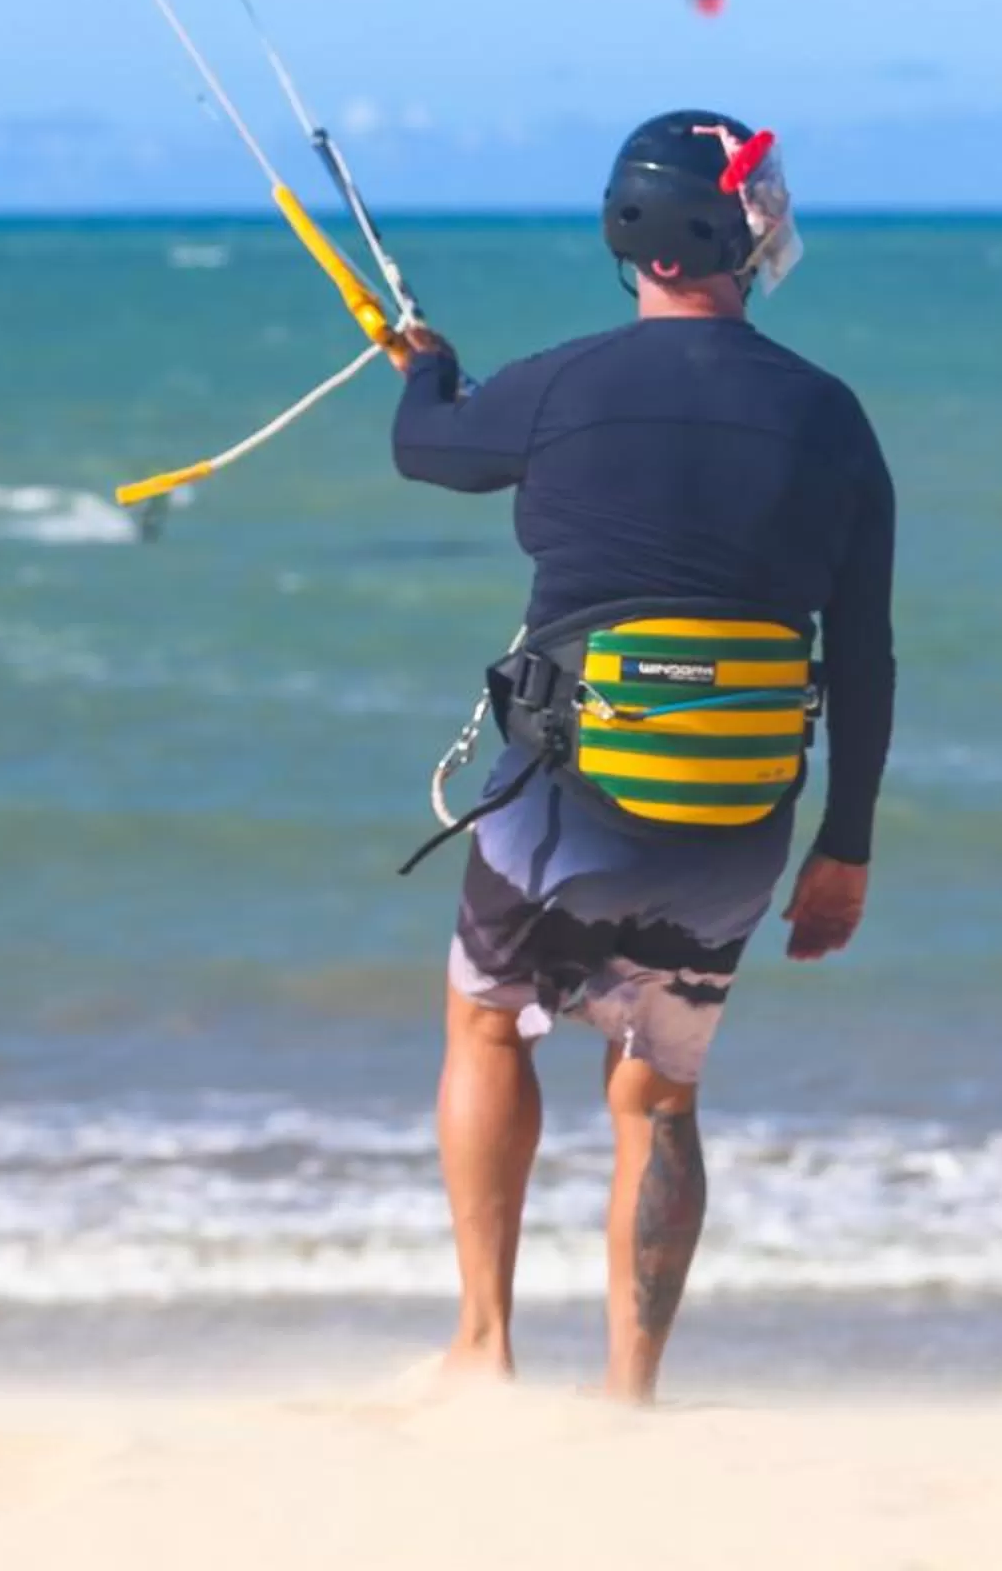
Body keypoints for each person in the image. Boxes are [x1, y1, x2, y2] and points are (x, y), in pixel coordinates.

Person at [388, 110, 896, 1402]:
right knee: (658, 1094)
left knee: (490, 1022)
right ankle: (629, 1393)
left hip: (573, 799)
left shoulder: (560, 386)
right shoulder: (832, 417)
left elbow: (426, 447)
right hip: (735, 820)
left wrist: (425, 366)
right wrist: (844, 849)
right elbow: (867, 655)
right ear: (742, 229)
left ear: (632, 234)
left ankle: (484, 1349)